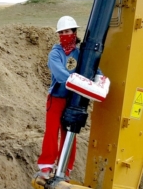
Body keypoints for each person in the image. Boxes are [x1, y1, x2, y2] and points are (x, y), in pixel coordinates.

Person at [36, 16, 102, 180]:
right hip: (57, 98)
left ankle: (65, 169)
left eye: (68, 31)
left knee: (69, 133)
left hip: (73, 100)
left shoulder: (80, 53)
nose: (65, 34)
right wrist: (81, 83)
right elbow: (60, 75)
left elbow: (93, 69)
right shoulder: (55, 54)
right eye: (62, 32)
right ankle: (46, 167)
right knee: (52, 132)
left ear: (74, 32)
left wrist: (100, 80)